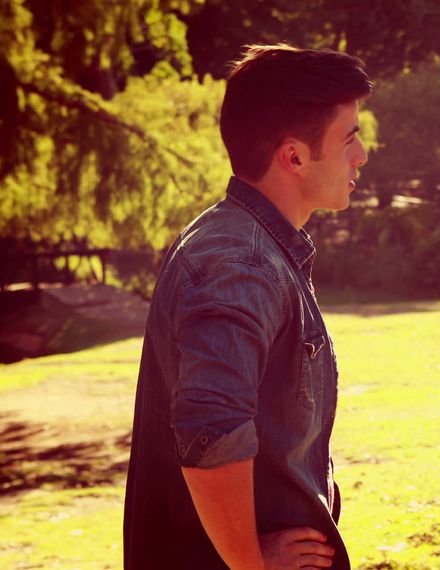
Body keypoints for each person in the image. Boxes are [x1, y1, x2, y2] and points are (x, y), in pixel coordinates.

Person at [123, 44, 372, 570]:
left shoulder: (245, 242)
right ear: (295, 156)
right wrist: (250, 562)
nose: (363, 153)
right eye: (349, 137)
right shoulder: (242, 263)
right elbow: (211, 429)